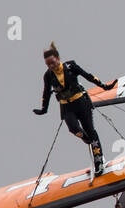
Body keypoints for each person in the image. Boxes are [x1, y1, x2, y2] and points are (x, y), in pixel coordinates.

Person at [33, 43, 118, 175]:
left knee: (91, 130)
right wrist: (44, 109)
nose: (51, 66)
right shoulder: (48, 76)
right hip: (67, 107)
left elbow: (88, 76)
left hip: (81, 102)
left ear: (58, 58)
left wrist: (103, 86)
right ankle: (87, 139)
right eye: (48, 64)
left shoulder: (71, 66)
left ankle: (99, 162)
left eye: (53, 62)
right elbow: (46, 93)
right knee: (74, 128)